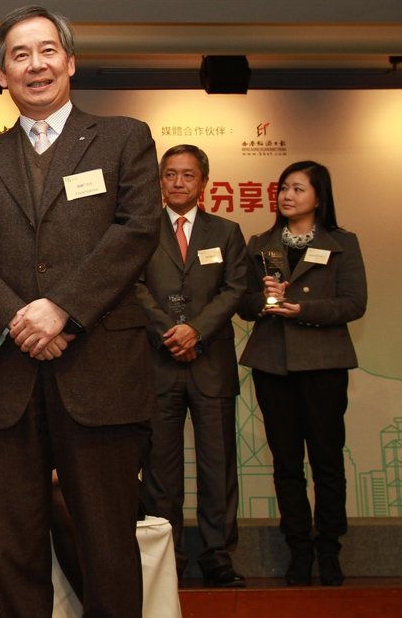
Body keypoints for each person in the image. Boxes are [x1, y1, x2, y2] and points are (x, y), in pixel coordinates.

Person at [0, 5, 161, 617]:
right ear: (1, 74)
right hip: (7, 377)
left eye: (47, 51)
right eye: (19, 55)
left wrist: (64, 310)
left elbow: (136, 230)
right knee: (14, 548)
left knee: (107, 543)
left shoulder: (125, 137)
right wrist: (23, 321)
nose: (35, 65)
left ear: (70, 62)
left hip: (99, 370)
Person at [238, 160, 366, 587]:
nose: (287, 196)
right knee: (286, 463)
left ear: (318, 196)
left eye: (297, 188)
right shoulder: (261, 243)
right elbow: (242, 303)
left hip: (324, 365)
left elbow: (353, 303)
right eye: (283, 188)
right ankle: (298, 549)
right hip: (273, 365)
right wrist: (264, 301)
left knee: (327, 461)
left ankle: (329, 548)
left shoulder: (342, 243)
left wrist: (303, 310)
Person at [134, 144, 248, 586]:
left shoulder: (227, 231)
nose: (178, 183)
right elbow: (135, 288)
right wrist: (171, 332)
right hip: (158, 362)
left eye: (187, 175)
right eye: (169, 175)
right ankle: (169, 557)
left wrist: (196, 330)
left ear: (204, 183)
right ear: (158, 181)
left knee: (217, 464)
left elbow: (236, 288)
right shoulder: (141, 231)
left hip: (211, 364)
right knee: (161, 468)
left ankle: (218, 555)